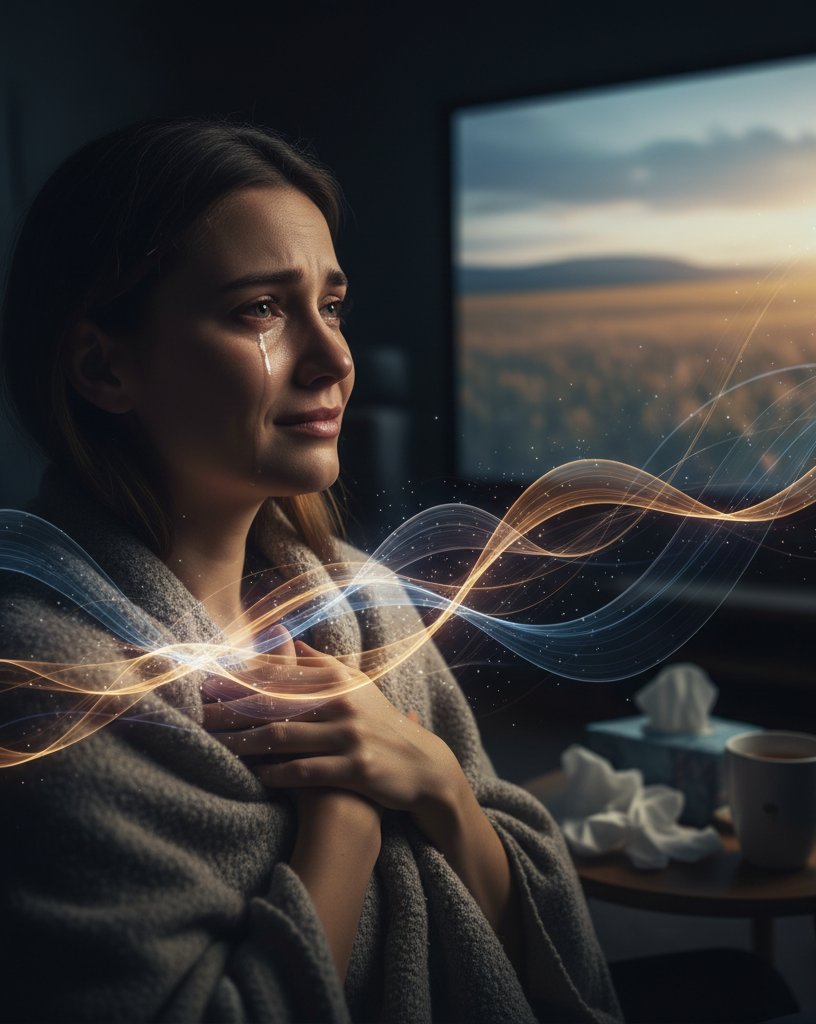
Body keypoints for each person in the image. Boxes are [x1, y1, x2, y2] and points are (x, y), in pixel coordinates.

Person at [0, 116, 625, 1023]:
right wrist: (346, 815)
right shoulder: (45, 687)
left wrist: (441, 786)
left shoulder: (363, 604)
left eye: (331, 305)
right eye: (261, 308)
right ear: (104, 366)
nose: (334, 358)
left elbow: (541, 955)